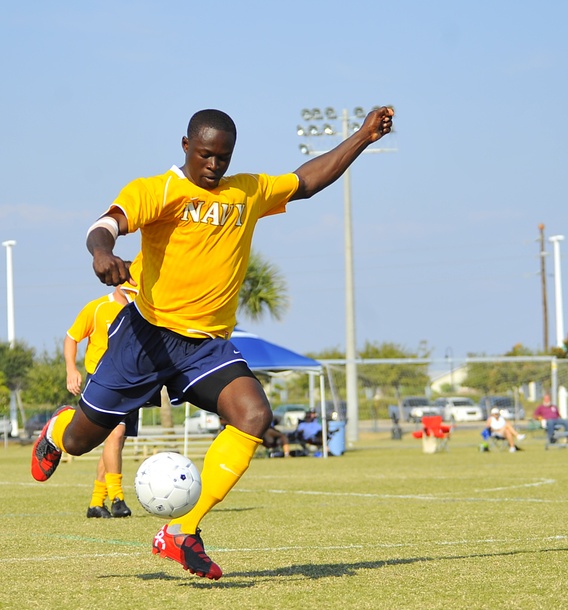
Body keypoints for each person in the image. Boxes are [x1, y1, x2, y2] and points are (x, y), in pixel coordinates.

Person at [31, 105, 394, 580]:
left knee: (254, 416)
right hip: (146, 336)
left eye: (223, 157)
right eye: (205, 155)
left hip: (206, 345)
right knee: (81, 441)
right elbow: (106, 223)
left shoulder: (246, 192)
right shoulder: (159, 190)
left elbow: (305, 181)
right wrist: (102, 251)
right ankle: (57, 431)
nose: (214, 165)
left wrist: (363, 137)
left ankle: (182, 530)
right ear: (186, 146)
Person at [63, 258, 143, 519]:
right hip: (102, 380)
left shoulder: (141, 311)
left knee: (113, 442)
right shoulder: (98, 308)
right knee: (116, 435)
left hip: (132, 382)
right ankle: (118, 498)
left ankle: (96, 503)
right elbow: (72, 337)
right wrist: (71, 370)